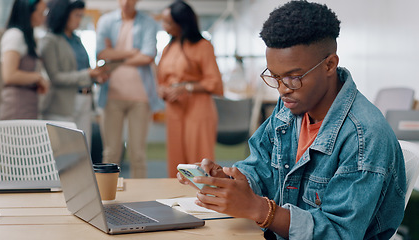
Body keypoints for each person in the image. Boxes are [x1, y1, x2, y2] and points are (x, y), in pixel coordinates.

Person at [177, 1, 406, 239]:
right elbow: (262, 166)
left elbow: (339, 233)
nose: (282, 89)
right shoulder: (291, 107)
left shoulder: (364, 136)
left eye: (294, 77)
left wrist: (260, 210)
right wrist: (231, 180)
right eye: (275, 76)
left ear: (330, 64)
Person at [96, 0, 163, 178]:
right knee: (110, 152)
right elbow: (101, 53)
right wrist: (132, 52)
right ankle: (107, 194)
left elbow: (148, 55)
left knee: (138, 153)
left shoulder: (148, 22)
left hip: (140, 97)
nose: (126, 2)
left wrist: (115, 58)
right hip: (111, 96)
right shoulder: (106, 21)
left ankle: (140, 200)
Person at [157, 0, 224, 178]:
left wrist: (186, 88)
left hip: (198, 108)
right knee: (176, 160)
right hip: (174, 109)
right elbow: (160, 80)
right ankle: (175, 200)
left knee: (198, 159)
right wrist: (163, 90)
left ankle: (204, 200)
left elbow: (215, 83)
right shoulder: (167, 48)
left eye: (168, 22)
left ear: (182, 23)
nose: (164, 27)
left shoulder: (203, 46)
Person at [39, 0, 107, 145]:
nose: (79, 20)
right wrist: (88, 74)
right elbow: (55, 77)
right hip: (63, 105)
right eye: (76, 15)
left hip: (85, 99)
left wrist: (96, 77)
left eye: (81, 16)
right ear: (64, 15)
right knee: (64, 152)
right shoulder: (50, 41)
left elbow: (84, 69)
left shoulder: (77, 40)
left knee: (83, 149)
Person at [0, 0, 49, 120]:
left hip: (27, 105)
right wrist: (38, 77)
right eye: (41, 13)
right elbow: (9, 75)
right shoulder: (15, 35)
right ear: (28, 12)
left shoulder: (28, 36)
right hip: (16, 107)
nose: (44, 17)